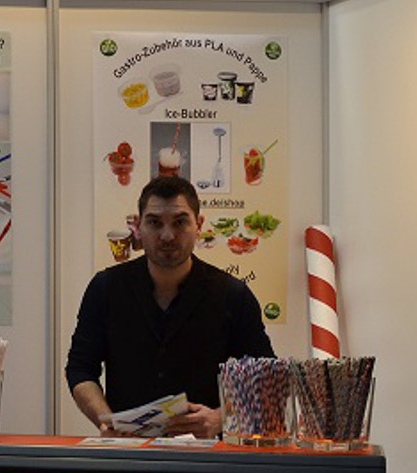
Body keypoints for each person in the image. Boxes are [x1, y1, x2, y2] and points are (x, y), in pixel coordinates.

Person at [64, 174, 274, 438]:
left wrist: (221, 418)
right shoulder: (105, 288)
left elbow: (267, 379)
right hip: (126, 451)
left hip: (204, 455)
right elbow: (80, 369)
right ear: (138, 226)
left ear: (199, 225)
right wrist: (106, 422)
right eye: (154, 222)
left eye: (180, 222)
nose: (167, 235)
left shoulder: (232, 294)